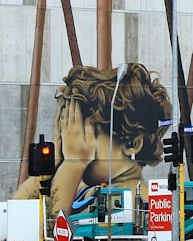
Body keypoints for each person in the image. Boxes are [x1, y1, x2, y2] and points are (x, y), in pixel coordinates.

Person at [13, 62, 172, 218]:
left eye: (81, 133)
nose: (72, 143)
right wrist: (56, 160)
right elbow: (16, 214)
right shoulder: (85, 191)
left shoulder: (134, 202)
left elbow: (55, 232)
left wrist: (74, 162)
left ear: (132, 144)